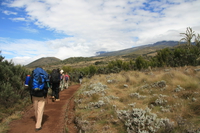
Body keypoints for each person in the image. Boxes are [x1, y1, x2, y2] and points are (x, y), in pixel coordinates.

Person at [28, 67, 50, 131]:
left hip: (34, 95)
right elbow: (47, 86)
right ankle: (38, 125)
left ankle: (37, 120)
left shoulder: (32, 75)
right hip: (42, 95)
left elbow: (29, 85)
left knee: (35, 109)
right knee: (40, 109)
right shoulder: (45, 75)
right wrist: (45, 94)